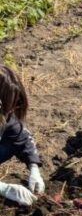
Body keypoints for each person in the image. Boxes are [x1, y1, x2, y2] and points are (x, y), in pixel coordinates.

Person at [0, 65, 45, 206]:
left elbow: (21, 137)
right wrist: (4, 189)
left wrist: (33, 168)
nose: (12, 110)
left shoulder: (5, 114)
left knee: (10, 143)